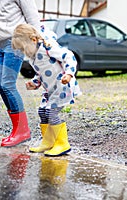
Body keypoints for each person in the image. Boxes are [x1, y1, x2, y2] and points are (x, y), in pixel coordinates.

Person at [12, 24, 81, 156]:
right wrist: (34, 83)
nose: (24, 53)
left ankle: (62, 144)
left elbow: (69, 56)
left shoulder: (47, 47)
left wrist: (69, 73)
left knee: (51, 113)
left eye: (24, 48)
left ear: (33, 40)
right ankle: (48, 141)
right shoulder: (33, 56)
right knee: (42, 111)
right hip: (51, 89)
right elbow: (42, 73)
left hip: (62, 85)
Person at [0, 0, 43, 147]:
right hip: (1, 42)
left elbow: (32, 16)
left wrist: (39, 41)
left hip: (16, 41)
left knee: (8, 85)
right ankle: (17, 129)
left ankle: (23, 131)